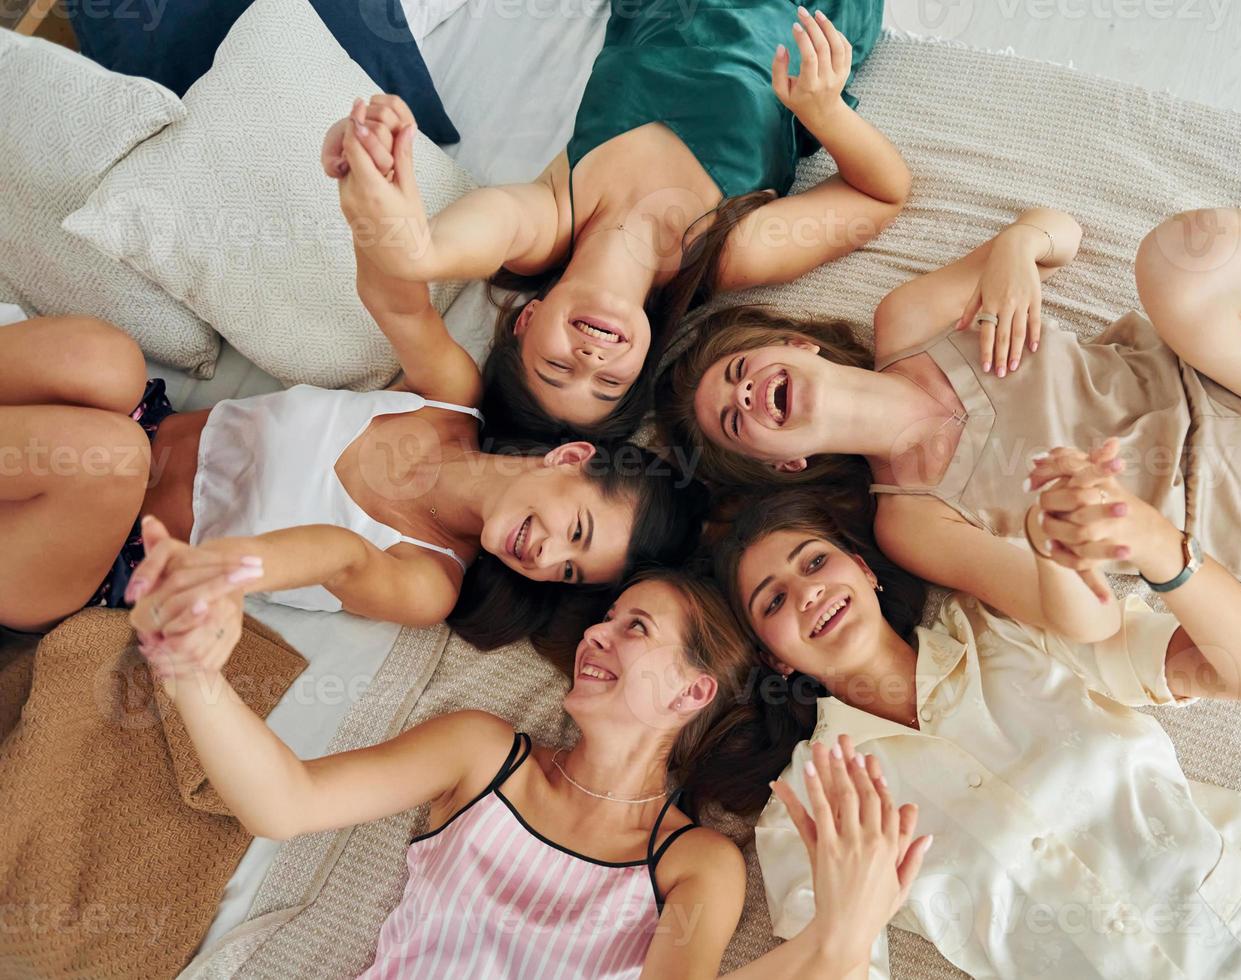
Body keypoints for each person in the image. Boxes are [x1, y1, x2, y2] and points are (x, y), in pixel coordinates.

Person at [129, 522, 931, 978]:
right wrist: (191, 672)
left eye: (634, 629)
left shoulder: (697, 864)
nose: (596, 633)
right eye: (607, 617)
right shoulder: (482, 755)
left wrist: (838, 937)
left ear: (693, 694)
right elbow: (286, 804)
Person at [665, 206, 1241, 640]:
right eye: (736, 423)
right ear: (783, 466)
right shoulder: (908, 520)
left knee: (1182, 253)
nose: (744, 397)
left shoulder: (909, 318)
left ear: (794, 345)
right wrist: (1062, 550)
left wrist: (1018, 245)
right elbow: (1073, 618)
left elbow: (1065, 231)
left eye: (738, 374)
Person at [714, 486, 1241, 978]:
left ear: (861, 569)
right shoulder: (807, 808)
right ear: (776, 656)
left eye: (813, 562)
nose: (806, 593)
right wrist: (846, 923)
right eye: (773, 600)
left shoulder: (1011, 633)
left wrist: (1158, 543)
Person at [324, 0, 908, 444]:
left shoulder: (549, 220)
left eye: (555, 367)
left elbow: (444, 246)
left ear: (528, 320)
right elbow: (879, 195)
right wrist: (826, 114)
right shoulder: (727, 251)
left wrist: (401, 237)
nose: (589, 362)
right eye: (610, 384)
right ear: (645, 355)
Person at [0, 307, 703, 642]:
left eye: (571, 572)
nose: (547, 557)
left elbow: (336, 557)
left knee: (112, 459)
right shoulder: (446, 397)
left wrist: (217, 575)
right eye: (576, 529)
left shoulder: (428, 580)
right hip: (133, 431)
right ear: (571, 459)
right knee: (107, 362)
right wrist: (372, 181)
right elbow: (398, 297)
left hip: (86, 557)